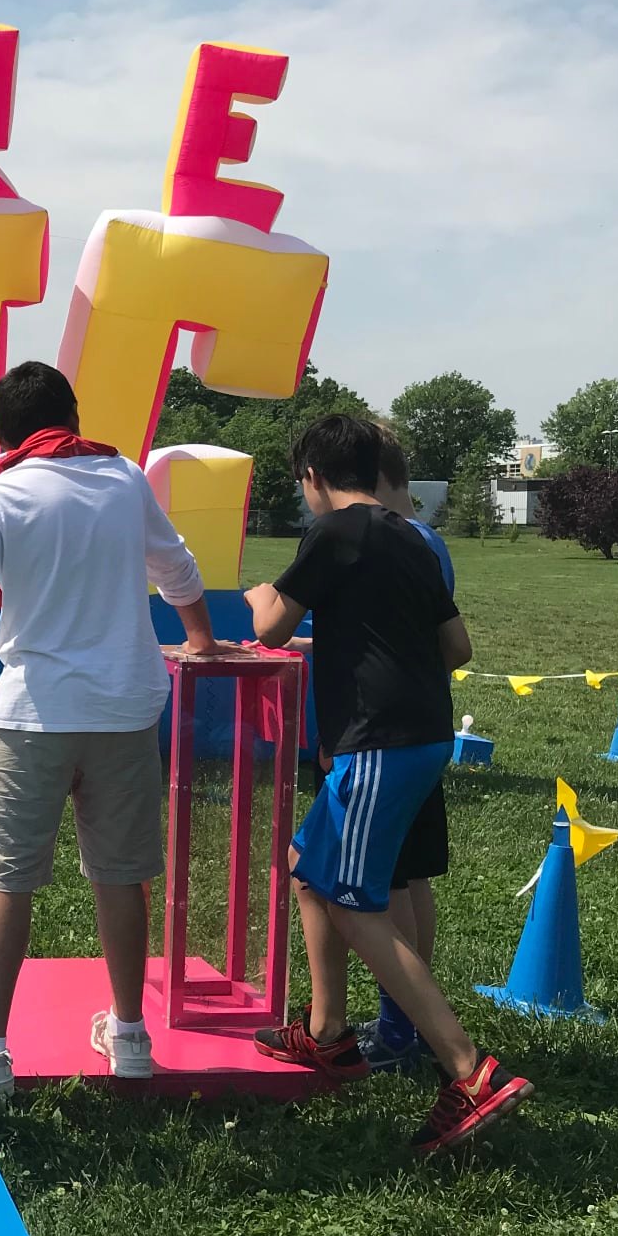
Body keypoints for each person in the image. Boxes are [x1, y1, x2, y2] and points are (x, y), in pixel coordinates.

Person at [0, 360, 222, 1098]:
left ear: (1, 432)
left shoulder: (0, 495)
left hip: (34, 718)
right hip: (126, 709)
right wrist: (204, 641)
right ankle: (128, 1036)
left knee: (9, 877)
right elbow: (178, 568)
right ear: (74, 417)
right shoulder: (123, 478)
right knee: (122, 876)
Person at [246, 414, 531, 1153]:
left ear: (312, 476)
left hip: (375, 743)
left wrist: (253, 594)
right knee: (310, 870)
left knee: (352, 902)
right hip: (424, 736)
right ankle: (329, 1034)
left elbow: (272, 626)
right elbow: (457, 646)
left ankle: (469, 1071)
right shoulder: (411, 538)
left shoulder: (334, 532)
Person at [357, 426, 457, 1071]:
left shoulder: (382, 540)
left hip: (384, 733)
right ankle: (413, 1018)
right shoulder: (429, 539)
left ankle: (401, 1024)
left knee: (386, 881)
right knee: (410, 875)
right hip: (426, 723)